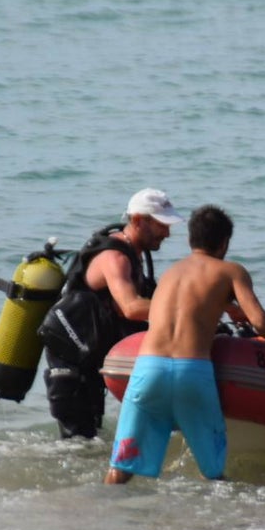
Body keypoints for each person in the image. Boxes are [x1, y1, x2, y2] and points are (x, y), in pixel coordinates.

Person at [104, 205, 265, 484]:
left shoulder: (171, 273)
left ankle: (102, 520)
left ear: (191, 240)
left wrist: (224, 306)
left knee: (121, 468)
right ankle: (215, 527)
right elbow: (259, 320)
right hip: (192, 372)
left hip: (148, 368)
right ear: (224, 242)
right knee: (213, 475)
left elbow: (185, 306)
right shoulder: (231, 271)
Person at [38, 188, 184, 439]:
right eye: (162, 225)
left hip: (87, 357)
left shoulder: (132, 254)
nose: (167, 233)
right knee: (78, 441)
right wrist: (187, 311)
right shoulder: (115, 257)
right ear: (138, 220)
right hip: (70, 360)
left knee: (88, 437)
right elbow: (131, 307)